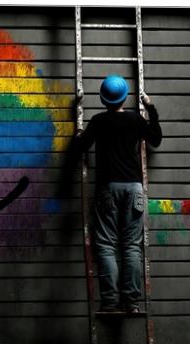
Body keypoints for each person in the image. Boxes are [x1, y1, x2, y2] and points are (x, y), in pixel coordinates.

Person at [74, 75, 162, 313]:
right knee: (132, 246)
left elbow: (78, 148)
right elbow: (156, 139)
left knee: (105, 244)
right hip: (133, 187)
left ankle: (111, 302)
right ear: (125, 97)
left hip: (108, 189)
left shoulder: (99, 121)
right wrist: (150, 108)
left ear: (103, 99)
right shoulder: (135, 119)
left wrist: (77, 119)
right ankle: (131, 302)